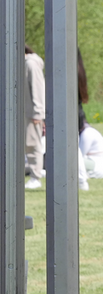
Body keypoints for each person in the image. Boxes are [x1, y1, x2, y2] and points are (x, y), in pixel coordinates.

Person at [24, 45, 45, 190]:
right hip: (25, 112)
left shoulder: (31, 64)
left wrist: (38, 112)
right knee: (27, 144)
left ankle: (35, 177)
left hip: (32, 113)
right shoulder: (26, 63)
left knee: (33, 144)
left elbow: (38, 88)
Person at [79, 112, 103, 179]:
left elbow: (79, 155)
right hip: (95, 164)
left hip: (99, 167)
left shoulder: (87, 133)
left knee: (71, 161)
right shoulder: (86, 131)